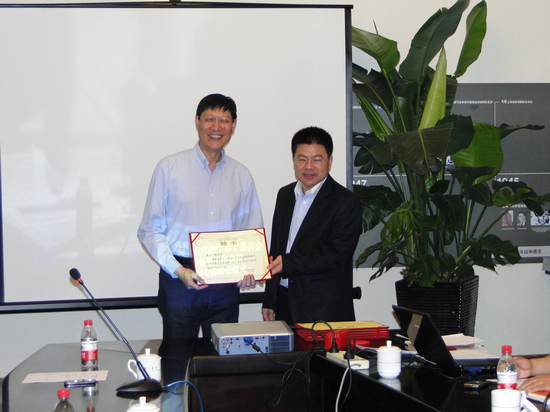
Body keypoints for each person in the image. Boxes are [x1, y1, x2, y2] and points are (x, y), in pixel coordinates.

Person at [138, 93, 263, 356]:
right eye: (209, 119)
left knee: (223, 361)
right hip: (180, 279)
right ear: (197, 121)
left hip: (225, 284)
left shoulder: (242, 175)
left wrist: (250, 269)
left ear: (233, 125)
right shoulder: (169, 168)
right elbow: (149, 230)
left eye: (224, 120)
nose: (216, 127)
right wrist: (178, 270)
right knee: (177, 361)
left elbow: (251, 232)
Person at [262, 126, 362, 325]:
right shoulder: (285, 195)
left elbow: (337, 254)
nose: (309, 166)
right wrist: (270, 299)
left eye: (317, 159)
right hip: (283, 303)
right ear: (293, 160)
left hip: (323, 309)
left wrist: (288, 263)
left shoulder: (345, 201)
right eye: (302, 159)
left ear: (329, 161)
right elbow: (277, 247)